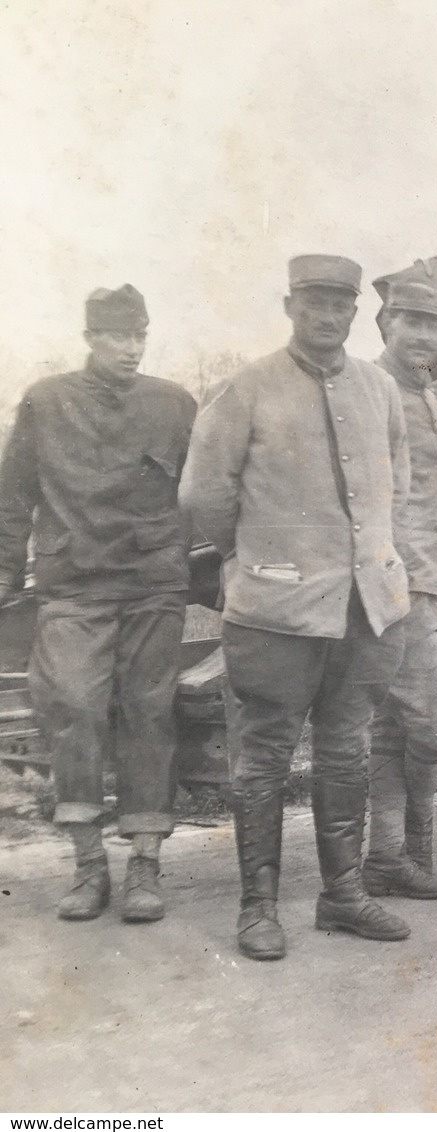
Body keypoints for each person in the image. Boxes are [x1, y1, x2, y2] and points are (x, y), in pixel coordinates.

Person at [180, 254, 412, 960]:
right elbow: (202, 496)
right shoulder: (245, 389)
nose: (327, 315)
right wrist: (254, 555)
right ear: (289, 307)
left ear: (354, 313)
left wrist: (367, 559)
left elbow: (393, 488)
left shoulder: (380, 389)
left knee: (346, 752)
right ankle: (258, 908)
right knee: (265, 760)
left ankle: (342, 895)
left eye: (340, 304)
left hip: (364, 611)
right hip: (274, 614)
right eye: (314, 302)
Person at [0, 285, 196, 922]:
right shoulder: (46, 401)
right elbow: (13, 498)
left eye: (140, 335)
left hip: (152, 585)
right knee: (74, 706)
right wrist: (5, 580)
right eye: (118, 336)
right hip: (73, 582)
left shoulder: (173, 404)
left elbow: (207, 490)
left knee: (149, 710)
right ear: (90, 338)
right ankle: (89, 866)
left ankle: (145, 865)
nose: (132, 348)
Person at [362, 281, 437, 900]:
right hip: (400, 587)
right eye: (412, 322)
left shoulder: (422, 393)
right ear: (385, 324)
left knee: (396, 730)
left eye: (434, 324)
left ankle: (389, 858)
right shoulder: (374, 390)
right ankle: (416, 847)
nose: (424, 335)